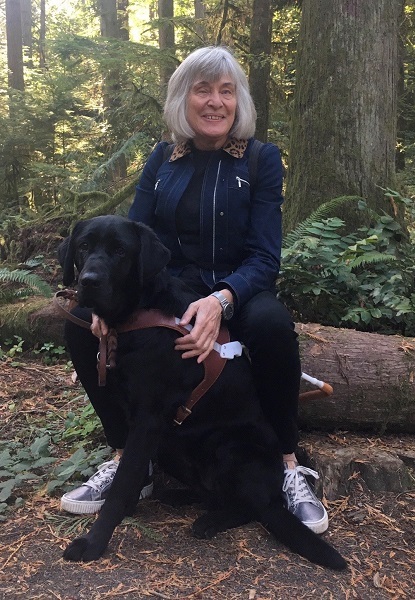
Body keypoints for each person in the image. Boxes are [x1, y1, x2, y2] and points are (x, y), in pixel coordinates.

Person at [60, 46, 328, 534]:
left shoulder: (262, 160)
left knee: (271, 324)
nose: (215, 102)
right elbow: (130, 235)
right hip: (169, 289)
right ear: (183, 99)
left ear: (238, 102)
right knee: (81, 323)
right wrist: (105, 301)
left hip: (241, 288)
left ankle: (288, 465)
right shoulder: (162, 159)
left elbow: (266, 257)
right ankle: (129, 460)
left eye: (226, 91)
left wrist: (221, 300)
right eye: (202, 89)